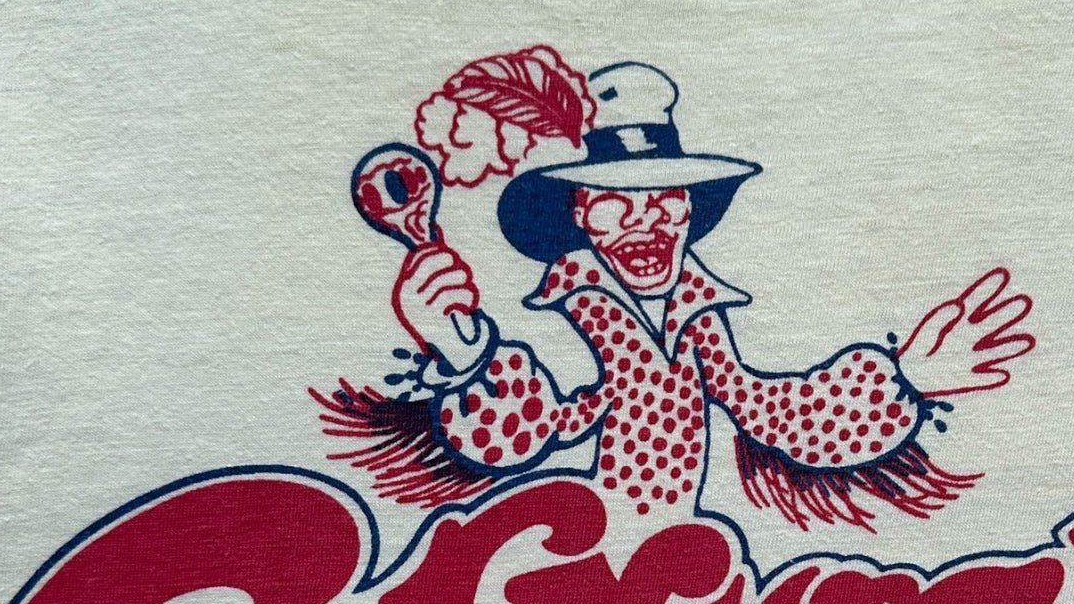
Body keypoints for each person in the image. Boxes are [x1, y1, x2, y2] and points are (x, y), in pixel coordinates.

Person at [319, 57, 1034, 530]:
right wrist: (462, 350)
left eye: (667, 198)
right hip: (566, 554)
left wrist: (904, 382)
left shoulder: (696, 314)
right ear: (576, 216)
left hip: (679, 573)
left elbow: (768, 409)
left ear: (692, 210)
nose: (645, 222)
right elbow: (528, 432)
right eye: (614, 202)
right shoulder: (566, 310)